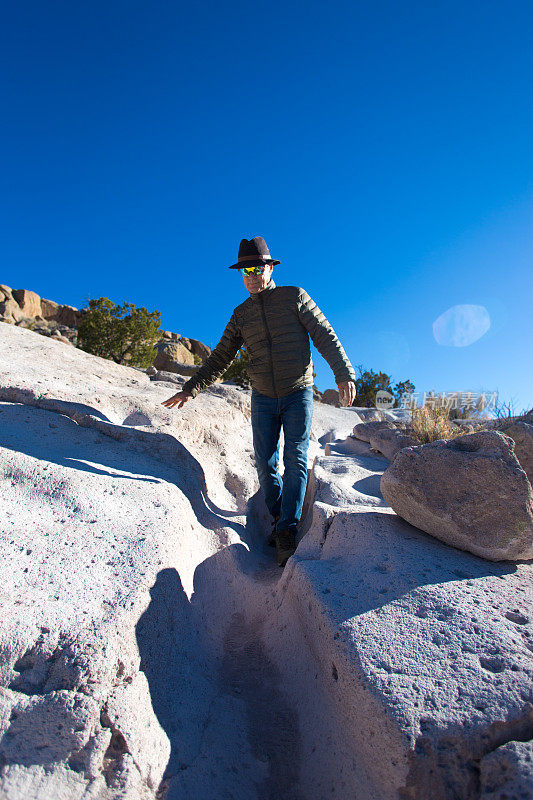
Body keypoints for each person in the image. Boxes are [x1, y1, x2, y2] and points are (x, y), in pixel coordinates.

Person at [162, 236, 356, 567]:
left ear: (269, 267)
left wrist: (343, 373)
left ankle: (286, 530)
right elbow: (221, 357)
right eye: (244, 271)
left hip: (298, 391)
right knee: (265, 465)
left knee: (294, 457)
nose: (251, 275)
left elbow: (325, 334)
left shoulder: (294, 297)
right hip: (263, 397)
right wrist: (192, 387)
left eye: (256, 268)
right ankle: (282, 515)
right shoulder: (241, 315)